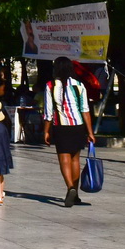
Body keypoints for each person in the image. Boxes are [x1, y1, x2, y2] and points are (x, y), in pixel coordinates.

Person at [42, 56, 95, 207]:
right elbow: (85, 110)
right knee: (75, 159)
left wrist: (46, 131)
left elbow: (48, 112)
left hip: (61, 127)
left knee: (63, 159)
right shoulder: (79, 85)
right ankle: (75, 193)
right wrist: (90, 132)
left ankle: (70, 187)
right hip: (78, 126)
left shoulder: (50, 85)